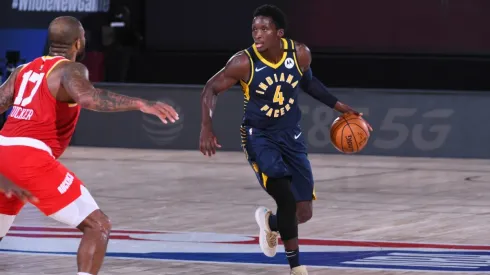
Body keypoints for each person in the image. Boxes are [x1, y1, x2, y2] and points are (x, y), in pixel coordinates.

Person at [199, 4, 372, 275]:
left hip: (291, 137)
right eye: (254, 29)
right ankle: (296, 268)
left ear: (279, 33)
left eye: (264, 29)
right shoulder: (243, 62)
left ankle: (271, 222)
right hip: (260, 138)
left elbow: (309, 84)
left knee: (303, 213)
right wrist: (206, 127)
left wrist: (340, 107)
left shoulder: (299, 54)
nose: (257, 34)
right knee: (287, 200)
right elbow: (211, 88)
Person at [0, 16, 179, 275]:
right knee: (98, 225)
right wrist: (141, 104)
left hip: (3, 152)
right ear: (78, 43)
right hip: (30, 157)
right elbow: (89, 98)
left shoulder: (23, 70)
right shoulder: (71, 70)